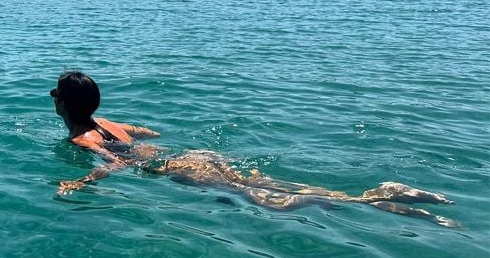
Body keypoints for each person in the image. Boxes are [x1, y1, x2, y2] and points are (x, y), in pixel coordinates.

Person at [52, 72, 459, 228]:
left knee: (271, 202)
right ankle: (379, 192)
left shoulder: (83, 139)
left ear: (63, 104)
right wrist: (135, 144)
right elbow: (149, 133)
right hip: (195, 156)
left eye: (56, 95)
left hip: (182, 169)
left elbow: (112, 165)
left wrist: (81, 180)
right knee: (269, 183)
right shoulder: (112, 124)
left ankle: (372, 200)